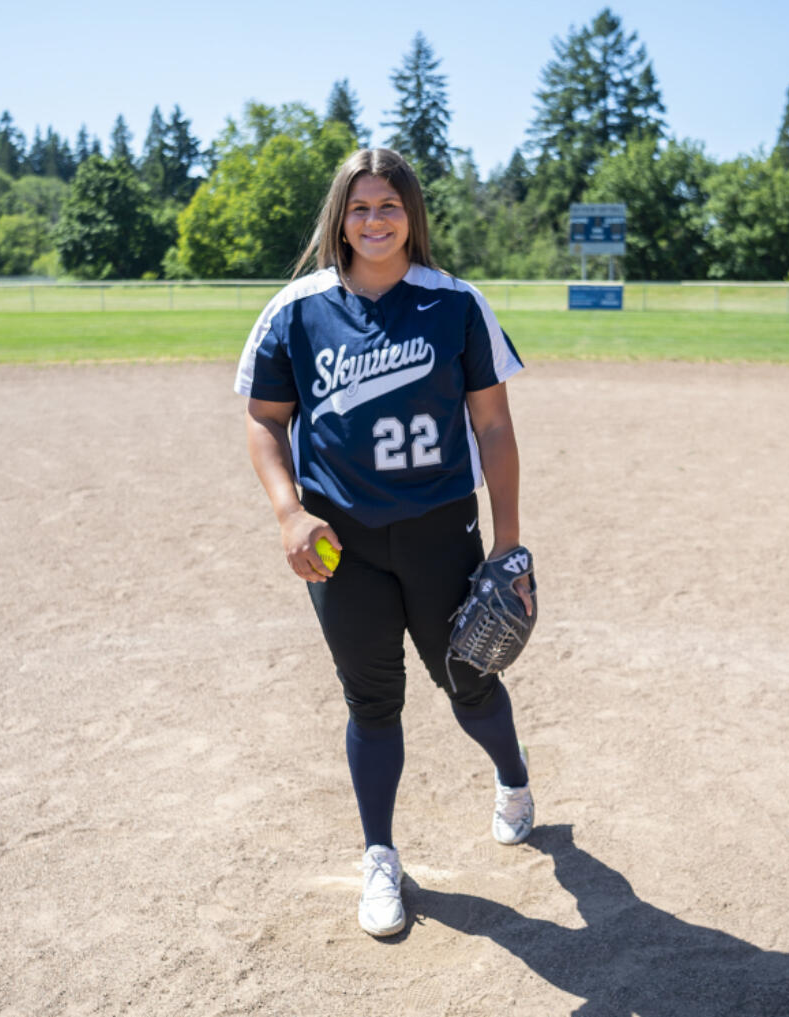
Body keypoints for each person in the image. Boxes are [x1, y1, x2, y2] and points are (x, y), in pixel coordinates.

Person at [234, 148, 535, 938]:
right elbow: (266, 421)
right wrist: (288, 514)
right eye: (360, 207)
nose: (375, 220)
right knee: (371, 699)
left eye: (389, 206)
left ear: (412, 216)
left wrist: (508, 544)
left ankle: (513, 778)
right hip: (339, 540)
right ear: (340, 217)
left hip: (441, 530)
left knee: (468, 679)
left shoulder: (456, 304)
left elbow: (493, 425)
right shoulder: (296, 310)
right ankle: (380, 856)